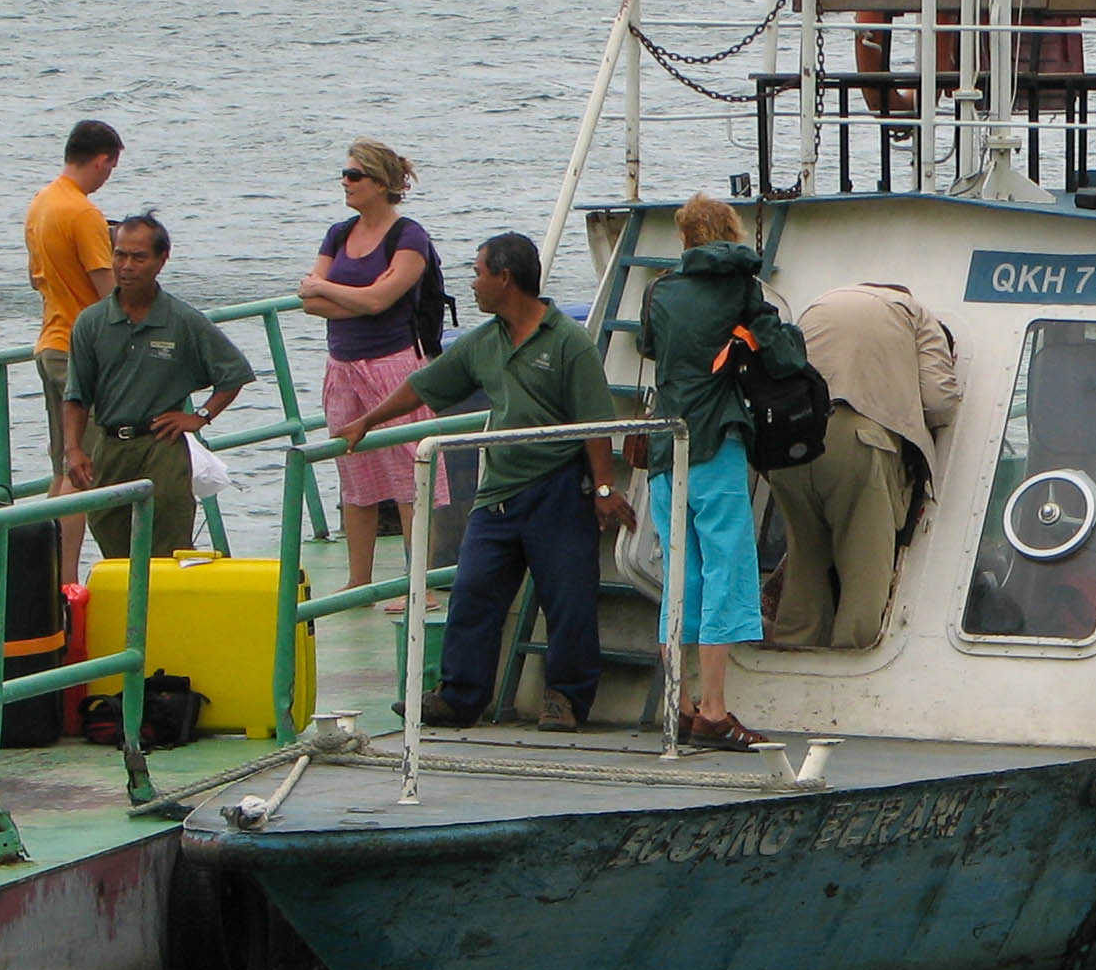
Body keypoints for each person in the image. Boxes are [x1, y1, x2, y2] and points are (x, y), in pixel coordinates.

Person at [340, 233, 629, 734]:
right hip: (497, 492)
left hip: (557, 487)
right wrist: (368, 419)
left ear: (505, 278)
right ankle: (459, 696)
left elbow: (595, 424)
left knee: (569, 599)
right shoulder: (485, 340)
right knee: (473, 593)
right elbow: (427, 385)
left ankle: (566, 698)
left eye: (477, 272)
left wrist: (603, 489)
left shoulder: (568, 342)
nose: (471, 283)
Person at [639, 194, 776, 748]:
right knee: (727, 568)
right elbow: (778, 351)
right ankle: (716, 711)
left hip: (663, 445)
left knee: (681, 574)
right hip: (716, 438)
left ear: (685, 238)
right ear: (730, 231)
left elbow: (651, 347)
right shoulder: (741, 287)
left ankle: (680, 703)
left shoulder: (659, 291)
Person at [766, 283, 960, 650]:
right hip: (857, 440)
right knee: (864, 572)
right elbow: (939, 403)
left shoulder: (818, 302)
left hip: (788, 445)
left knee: (804, 563)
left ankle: (792, 652)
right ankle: (847, 671)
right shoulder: (915, 313)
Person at [297, 139, 445, 607]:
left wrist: (330, 289)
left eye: (354, 175)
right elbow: (309, 303)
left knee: (409, 472)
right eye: (344, 174)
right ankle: (358, 579)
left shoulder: (409, 236)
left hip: (394, 364)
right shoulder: (339, 234)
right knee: (353, 468)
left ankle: (417, 583)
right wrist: (349, 298)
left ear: (381, 185)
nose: (345, 182)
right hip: (342, 366)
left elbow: (383, 300)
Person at [62, 213, 254, 562]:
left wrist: (200, 416)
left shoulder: (182, 320)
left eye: (139, 257)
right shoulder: (92, 322)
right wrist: (74, 449)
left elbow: (235, 373)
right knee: (115, 549)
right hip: (109, 446)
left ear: (161, 260)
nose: (127, 266)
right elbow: (76, 395)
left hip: (161, 446)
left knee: (167, 550)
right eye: (120, 255)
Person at [26, 119, 122, 578]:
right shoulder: (84, 213)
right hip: (81, 352)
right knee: (81, 470)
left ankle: (43, 574)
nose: (108, 177)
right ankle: (64, 580)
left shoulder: (42, 203)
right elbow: (108, 293)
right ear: (103, 159)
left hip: (50, 341)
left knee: (63, 464)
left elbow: (36, 278)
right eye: (111, 167)